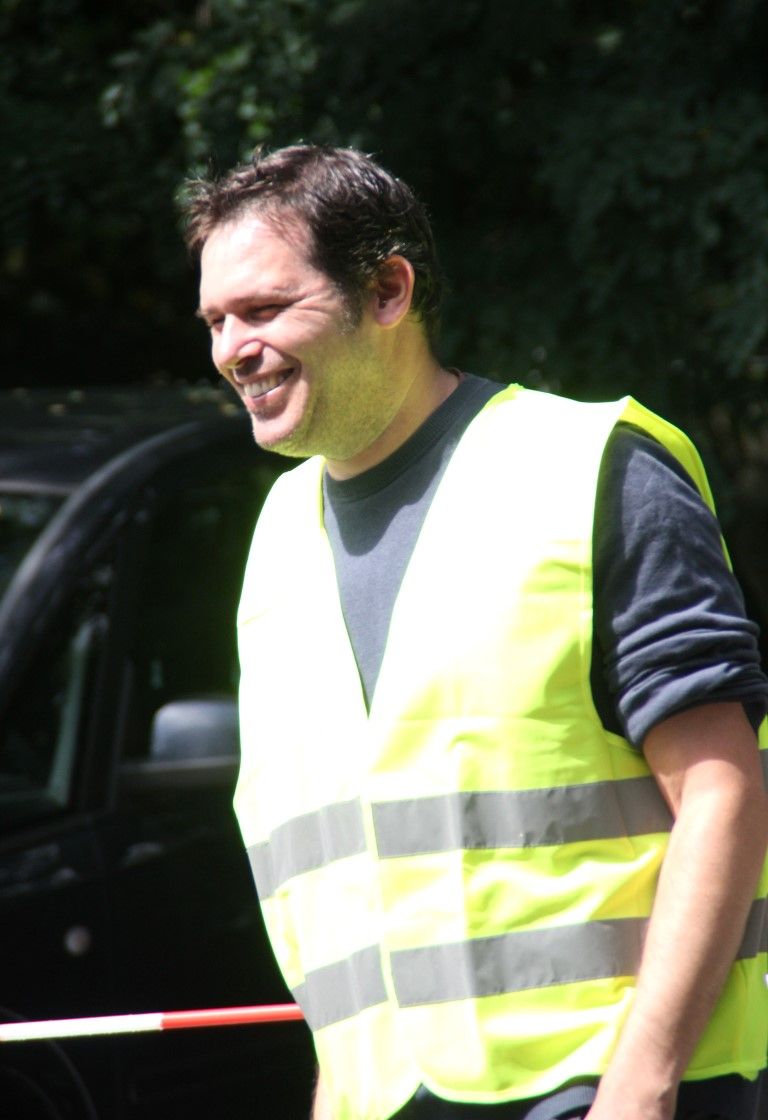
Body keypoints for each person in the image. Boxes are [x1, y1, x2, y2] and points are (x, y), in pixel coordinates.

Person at [181, 144, 768, 1120]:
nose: (232, 348)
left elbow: (723, 788)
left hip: (606, 1088)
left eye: (266, 308)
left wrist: (642, 1081)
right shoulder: (277, 540)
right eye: (216, 320)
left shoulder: (588, 467)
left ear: (388, 291)